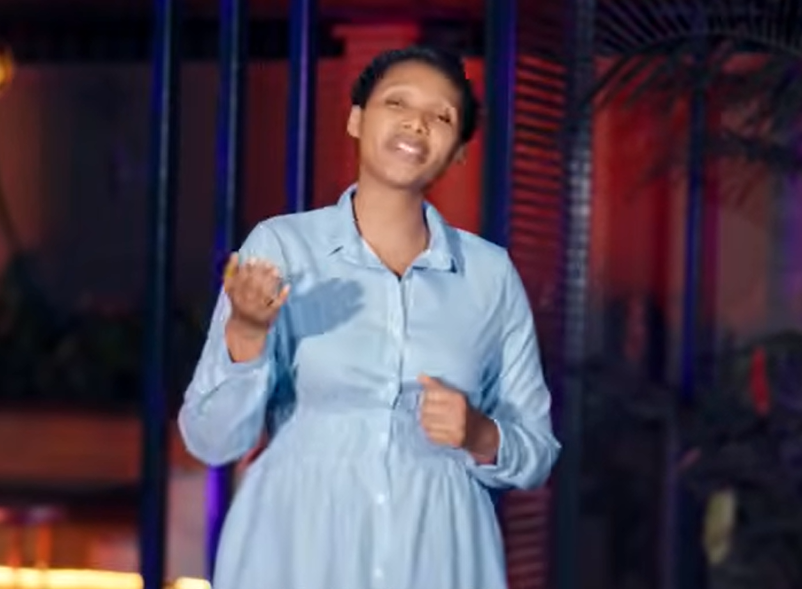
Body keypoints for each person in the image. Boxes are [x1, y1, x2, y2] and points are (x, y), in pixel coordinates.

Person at [178, 45, 560, 589]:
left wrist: (480, 434)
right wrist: (247, 334)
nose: (416, 123)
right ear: (356, 119)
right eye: (397, 102)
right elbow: (211, 440)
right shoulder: (283, 246)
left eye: (441, 116)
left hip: (439, 551)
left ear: (458, 153)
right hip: (298, 545)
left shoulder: (489, 274)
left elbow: (537, 451)